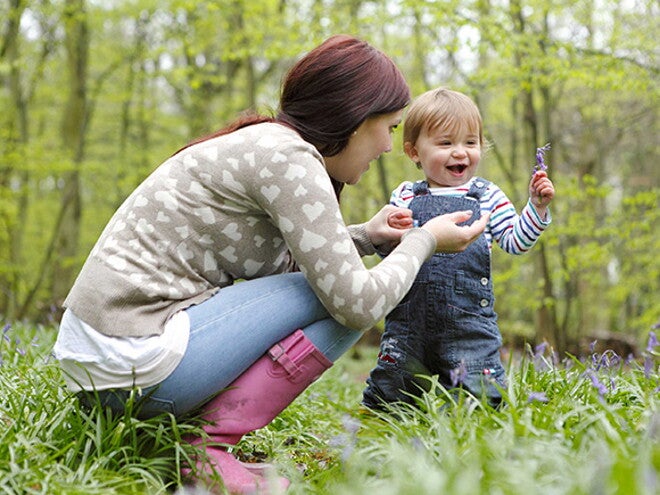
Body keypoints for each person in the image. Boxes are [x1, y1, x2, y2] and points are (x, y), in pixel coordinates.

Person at [52, 38, 488, 493]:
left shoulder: (269, 145)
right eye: (390, 128)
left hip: (104, 371)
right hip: (132, 364)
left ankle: (184, 443)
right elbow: (356, 303)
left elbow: (276, 275)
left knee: (340, 287)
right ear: (356, 119)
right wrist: (424, 240)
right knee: (350, 299)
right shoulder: (288, 158)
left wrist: (365, 237)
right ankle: (202, 450)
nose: (385, 146)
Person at [362, 87, 555, 412]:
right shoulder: (405, 195)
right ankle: (376, 435)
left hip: (469, 325)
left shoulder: (488, 195)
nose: (460, 152)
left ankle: (476, 435)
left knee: (483, 397)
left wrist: (536, 209)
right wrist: (390, 232)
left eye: (470, 142)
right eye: (445, 143)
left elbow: (515, 241)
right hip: (409, 325)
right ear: (413, 152)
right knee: (390, 393)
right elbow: (391, 256)